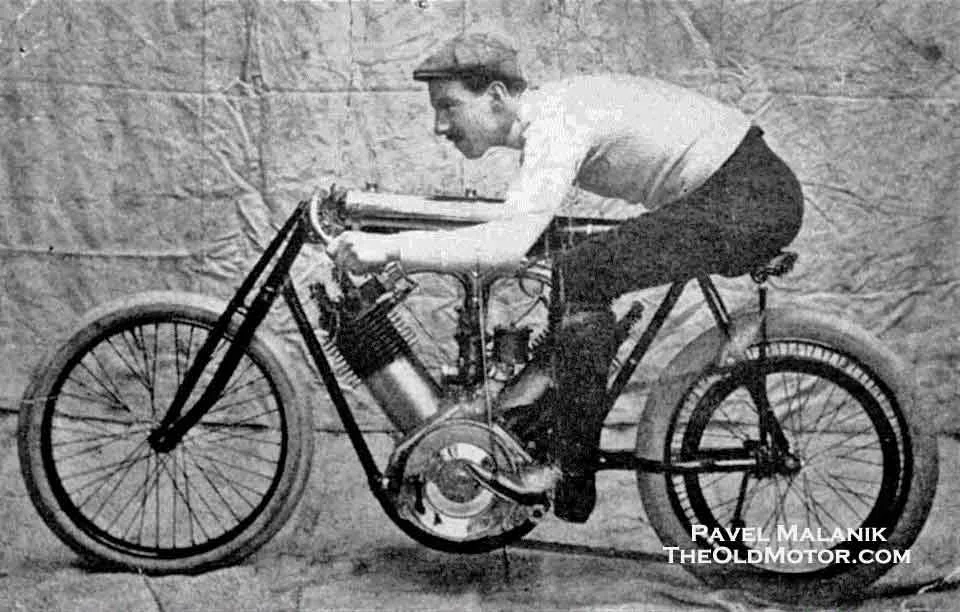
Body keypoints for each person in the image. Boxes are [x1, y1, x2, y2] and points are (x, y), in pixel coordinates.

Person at [326, 31, 804, 523]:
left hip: (747, 196)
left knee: (581, 273)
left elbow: (506, 245)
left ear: (496, 96)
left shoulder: (555, 122)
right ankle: (533, 422)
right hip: (742, 187)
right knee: (578, 270)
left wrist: (390, 250)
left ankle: (567, 471)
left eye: (448, 107)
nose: (439, 126)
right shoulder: (552, 114)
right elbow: (515, 224)